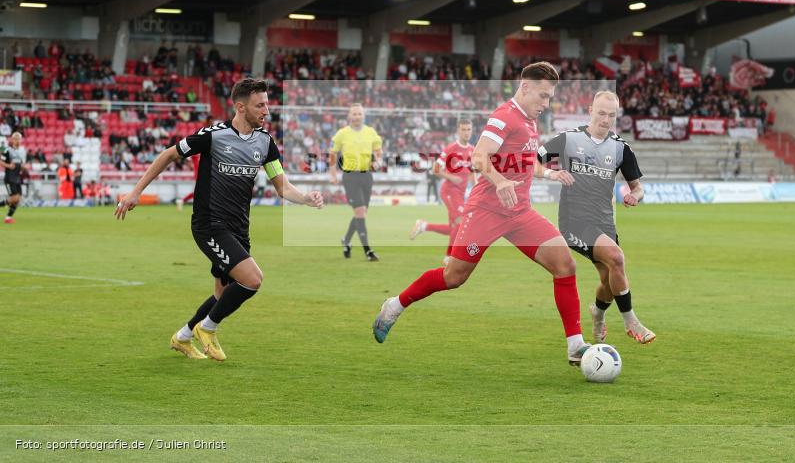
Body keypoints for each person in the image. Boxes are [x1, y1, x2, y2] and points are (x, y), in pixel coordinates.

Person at [373, 62, 592, 367]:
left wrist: (551, 175)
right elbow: (479, 156)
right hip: (486, 211)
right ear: (525, 87)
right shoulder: (504, 116)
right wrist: (500, 180)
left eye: (549, 98)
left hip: (519, 213)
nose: (546, 104)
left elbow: (525, 164)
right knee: (453, 277)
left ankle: (575, 345)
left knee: (565, 264)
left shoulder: (530, 122)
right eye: (542, 96)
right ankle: (395, 305)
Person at [115, 78, 324, 361]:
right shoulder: (213, 136)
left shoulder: (265, 142)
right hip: (209, 225)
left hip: (239, 228)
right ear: (240, 107)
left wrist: (306, 199)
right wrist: (135, 193)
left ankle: (183, 336)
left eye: (267, 103)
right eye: (259, 105)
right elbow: (168, 155)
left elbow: (283, 187)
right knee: (252, 279)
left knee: (222, 293)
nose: (266, 110)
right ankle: (208, 328)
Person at [536, 90, 656, 345]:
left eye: (611, 115)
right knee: (616, 258)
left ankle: (598, 313)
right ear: (590, 110)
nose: (605, 119)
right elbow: (532, 162)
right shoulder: (568, 139)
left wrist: (635, 195)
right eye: (601, 113)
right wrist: (552, 174)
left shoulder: (621, 148)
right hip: (574, 221)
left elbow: (637, 186)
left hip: (604, 223)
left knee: (609, 280)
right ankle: (631, 321)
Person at [409, 119, 475, 260]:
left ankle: (424, 226)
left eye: (469, 129)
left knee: (453, 229)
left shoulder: (472, 150)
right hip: (449, 191)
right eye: (463, 129)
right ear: (458, 131)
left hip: (460, 194)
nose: (466, 133)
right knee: (460, 222)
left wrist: (475, 189)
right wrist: (451, 177)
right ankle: (448, 257)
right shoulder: (451, 148)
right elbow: (435, 169)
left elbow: (471, 172)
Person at [329, 103, 383, 261]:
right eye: (354, 114)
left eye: (359, 114)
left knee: (361, 213)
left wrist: (378, 161)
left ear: (363, 116)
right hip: (350, 176)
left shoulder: (371, 132)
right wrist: (332, 174)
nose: (357, 116)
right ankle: (368, 251)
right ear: (349, 116)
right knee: (360, 212)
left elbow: (379, 152)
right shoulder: (342, 134)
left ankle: (346, 240)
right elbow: (333, 154)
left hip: (366, 176)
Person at [1, 132, 27, 224]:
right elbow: (1, 161)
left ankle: (8, 218)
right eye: (15, 138)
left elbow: (20, 164)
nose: (17, 140)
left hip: (17, 178)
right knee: (14, 198)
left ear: (21, 140)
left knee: (18, 199)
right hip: (9, 177)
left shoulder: (22, 151)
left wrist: (24, 167)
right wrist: (9, 165)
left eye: (18, 138)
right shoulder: (7, 150)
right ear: (12, 140)